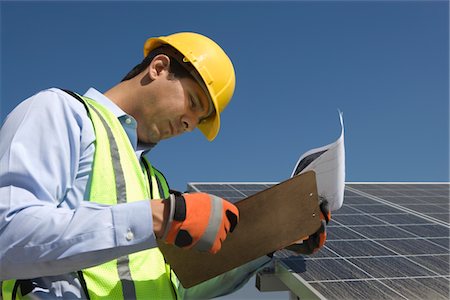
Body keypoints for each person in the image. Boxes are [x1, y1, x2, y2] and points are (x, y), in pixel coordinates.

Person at [0, 31, 328, 299]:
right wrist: (159, 218)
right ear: (158, 67)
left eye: (197, 121)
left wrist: (270, 241)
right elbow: (7, 236)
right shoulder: (62, 113)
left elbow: (175, 289)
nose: (188, 124)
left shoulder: (154, 183)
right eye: (193, 103)